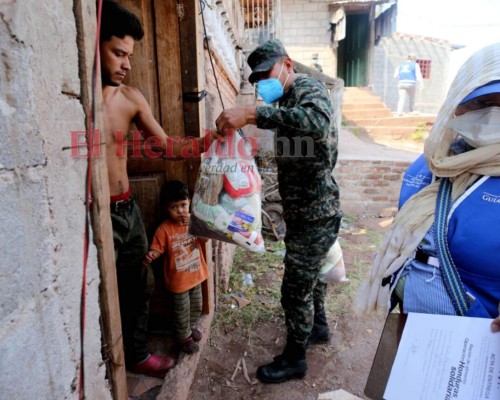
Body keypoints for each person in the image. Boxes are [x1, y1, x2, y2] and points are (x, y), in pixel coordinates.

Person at [215, 39, 342, 383]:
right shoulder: (286, 99)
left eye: (265, 74)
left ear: (287, 64)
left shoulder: (308, 89)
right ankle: (317, 327)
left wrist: (252, 112)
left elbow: (315, 122)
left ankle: (295, 359)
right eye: (255, 80)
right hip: (305, 211)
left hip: (317, 212)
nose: (261, 84)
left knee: (294, 287)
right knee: (310, 276)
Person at [100, 0, 213, 377]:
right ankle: (107, 365)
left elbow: (166, 146)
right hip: (92, 213)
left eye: (129, 55)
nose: (127, 63)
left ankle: (135, 355)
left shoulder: (130, 98)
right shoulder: (76, 101)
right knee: (102, 294)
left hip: (126, 210)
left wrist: (207, 142)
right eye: (118, 53)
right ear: (95, 45)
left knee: (139, 287)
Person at [355, 43, 500, 325]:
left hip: (481, 339)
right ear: (456, 104)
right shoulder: (432, 162)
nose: (492, 115)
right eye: (481, 102)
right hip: (416, 322)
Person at [143, 181, 209, 354]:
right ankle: (183, 338)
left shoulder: (194, 222)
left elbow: (205, 239)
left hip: (196, 276)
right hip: (178, 282)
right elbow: (157, 248)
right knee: (181, 311)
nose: (180, 210)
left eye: (183, 205)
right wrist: (152, 254)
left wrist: (194, 224)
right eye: (174, 207)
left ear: (189, 203)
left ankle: (189, 328)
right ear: (166, 209)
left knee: (196, 306)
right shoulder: (164, 229)